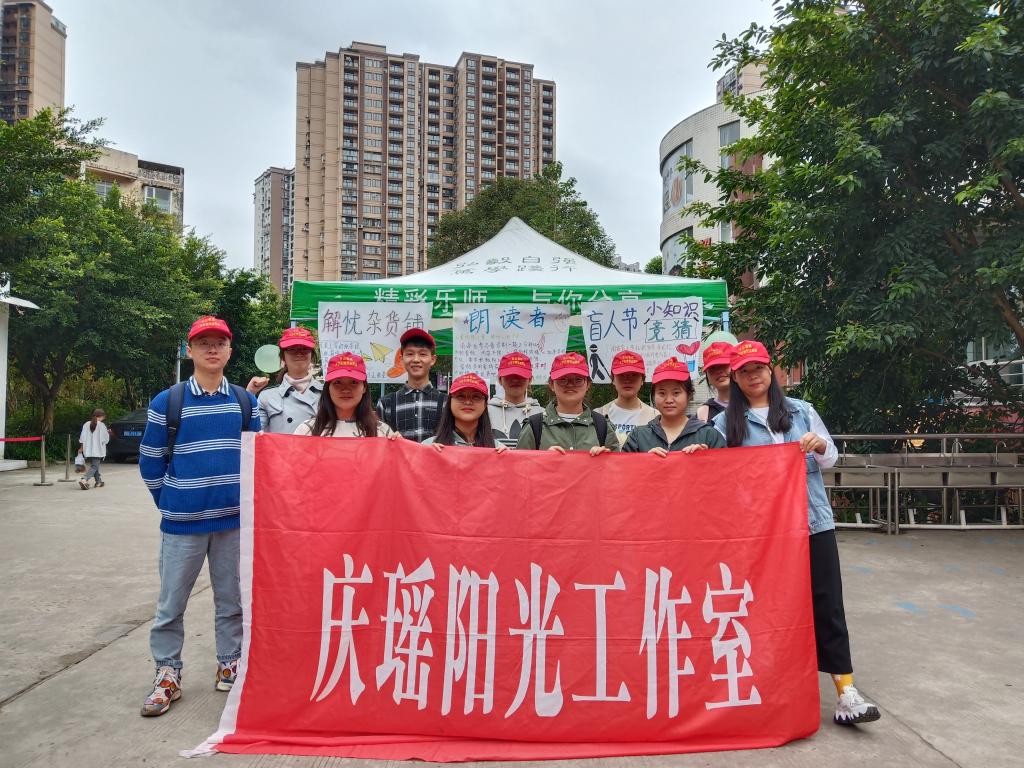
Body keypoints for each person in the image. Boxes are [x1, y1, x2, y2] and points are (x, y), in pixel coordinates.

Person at [713, 340, 880, 727]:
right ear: (734, 379)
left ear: (770, 370)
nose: (753, 376)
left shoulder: (802, 411)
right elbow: (715, 473)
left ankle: (845, 691)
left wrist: (818, 444)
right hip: (762, 532)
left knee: (827, 603)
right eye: (744, 372)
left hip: (812, 523)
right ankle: (769, 688)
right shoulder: (725, 425)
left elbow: (830, 457)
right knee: (766, 607)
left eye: (758, 368)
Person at [137, 316, 261, 717]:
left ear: (229, 351)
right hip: (182, 525)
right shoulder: (168, 401)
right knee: (171, 604)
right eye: (203, 342)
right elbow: (150, 461)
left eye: (219, 343)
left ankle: (230, 663)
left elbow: (258, 458)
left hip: (232, 523)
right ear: (189, 350)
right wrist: (172, 501)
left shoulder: (245, 402)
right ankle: (167, 673)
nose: (212, 349)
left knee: (231, 601)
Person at [515, 352, 620, 455]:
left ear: (588, 384)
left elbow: (618, 465)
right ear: (551, 384)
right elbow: (518, 464)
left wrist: (605, 459)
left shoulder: (603, 426)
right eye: (562, 379)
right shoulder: (534, 426)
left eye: (578, 380)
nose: (570, 384)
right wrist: (543, 459)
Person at [622, 357, 725, 454]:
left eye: (676, 393)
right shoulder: (638, 436)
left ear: (689, 395)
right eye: (662, 393)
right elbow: (623, 466)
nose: (669, 400)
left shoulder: (709, 435)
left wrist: (706, 458)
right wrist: (644, 461)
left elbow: (725, 466)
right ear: (653, 396)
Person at [295, 352, 397, 438]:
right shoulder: (306, 431)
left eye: (354, 382)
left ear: (364, 388)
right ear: (328, 388)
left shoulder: (382, 433)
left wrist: (398, 445)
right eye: (338, 382)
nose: (345, 389)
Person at [376, 328, 446, 441]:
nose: (416, 359)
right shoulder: (385, 403)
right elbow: (379, 443)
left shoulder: (446, 402)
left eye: (422, 354)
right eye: (410, 354)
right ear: (401, 359)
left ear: (433, 360)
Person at [256, 327, 322, 434]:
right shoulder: (267, 397)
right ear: (283, 357)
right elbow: (256, 434)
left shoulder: (328, 394)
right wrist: (249, 394)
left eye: (304, 348)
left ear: (312, 354)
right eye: (292, 349)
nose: (299, 353)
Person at [424, 373, 505, 450]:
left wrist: (506, 456)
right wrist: (428, 455)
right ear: (450, 402)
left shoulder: (498, 448)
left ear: (485, 404)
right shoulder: (429, 446)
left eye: (476, 397)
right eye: (460, 396)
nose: (468, 402)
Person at [595, 350, 659, 446]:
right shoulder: (598, 415)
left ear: (642, 380)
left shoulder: (655, 417)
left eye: (634, 375)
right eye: (621, 375)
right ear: (613, 379)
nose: (627, 380)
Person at [487, 351, 541, 440]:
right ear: (500, 380)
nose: (515, 380)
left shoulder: (542, 414)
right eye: (509, 375)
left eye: (521, 375)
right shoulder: (485, 413)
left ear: (530, 379)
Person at [695, 341, 733, 423]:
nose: (719, 371)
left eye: (724, 365)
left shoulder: (755, 404)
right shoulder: (703, 414)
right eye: (712, 368)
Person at [77, 408, 110, 489]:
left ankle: (98, 482)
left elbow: (82, 437)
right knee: (95, 466)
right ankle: (84, 479)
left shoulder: (86, 424)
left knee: (95, 465)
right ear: (102, 416)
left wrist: (81, 448)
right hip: (98, 450)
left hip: (88, 449)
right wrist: (107, 433)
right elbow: (105, 440)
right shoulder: (102, 425)